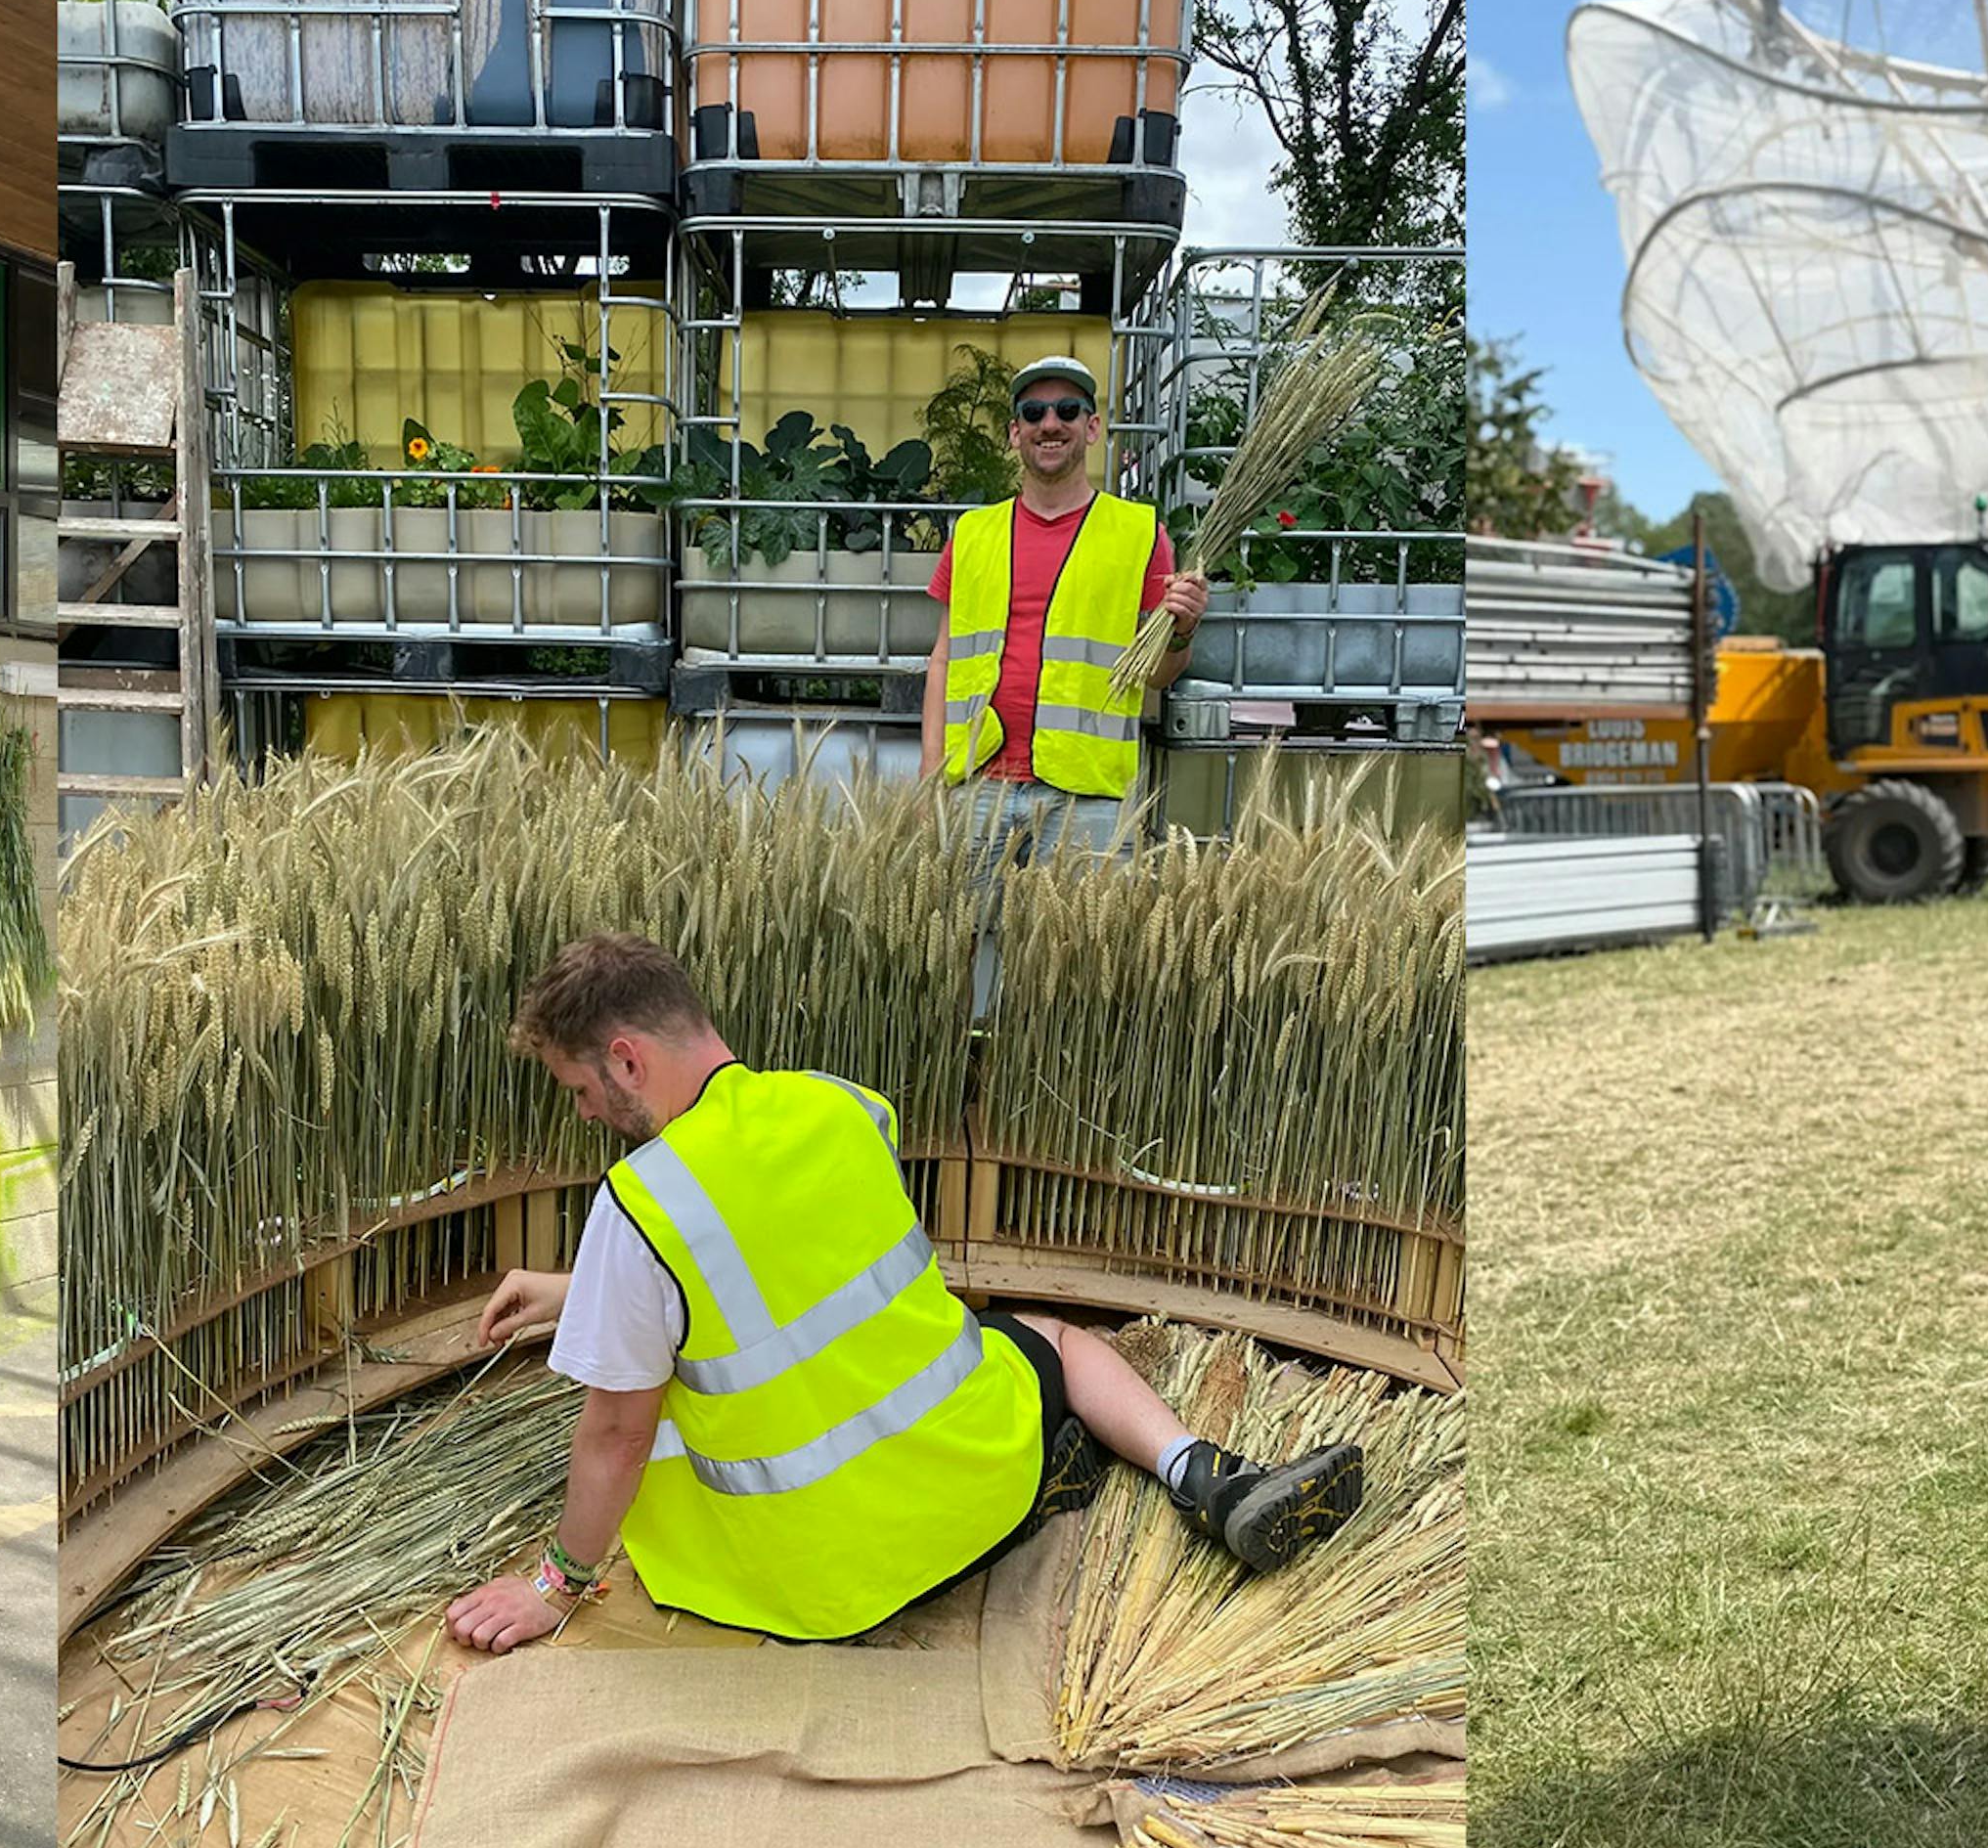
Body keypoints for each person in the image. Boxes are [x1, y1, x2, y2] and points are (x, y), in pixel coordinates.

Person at [442, 933, 1363, 1653]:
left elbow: (617, 1432)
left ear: (628, 1059)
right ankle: (1205, 1477)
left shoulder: (638, 1205)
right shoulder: (844, 1107)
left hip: (816, 1585)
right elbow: (782, 1259)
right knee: (1051, 1337)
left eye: (580, 1088)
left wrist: (554, 1586)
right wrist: (584, 1290)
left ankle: (1093, 1474)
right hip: (977, 1503)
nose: (586, 1113)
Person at [917, 354, 1210, 1010]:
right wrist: (931, 772)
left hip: (1088, 793)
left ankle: (1046, 1092)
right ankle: (972, 1093)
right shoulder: (972, 534)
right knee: (952, 950)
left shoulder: (1140, 534)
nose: (1051, 423)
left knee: (1077, 960)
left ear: (1093, 428)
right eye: (1034, 412)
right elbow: (942, 657)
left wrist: (1183, 630)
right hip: (977, 783)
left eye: (1067, 411)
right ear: (1015, 433)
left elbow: (1159, 671)